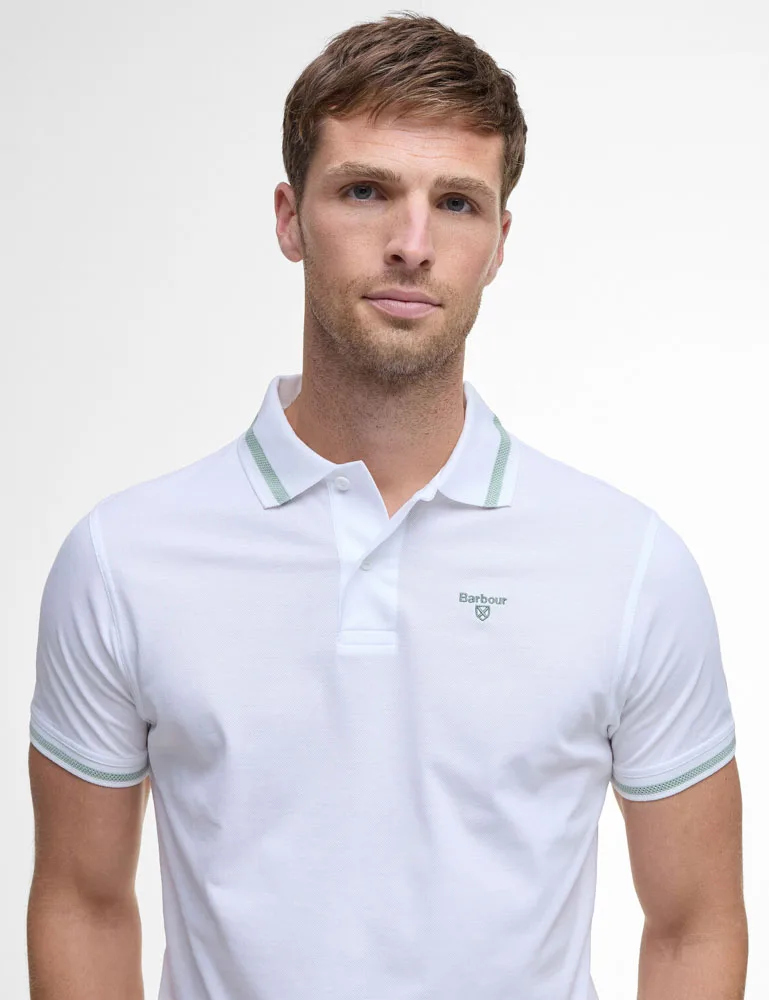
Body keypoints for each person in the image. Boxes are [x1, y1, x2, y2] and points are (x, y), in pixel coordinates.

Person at [27, 12, 747, 1000]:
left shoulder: (627, 565)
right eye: (365, 191)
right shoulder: (123, 560)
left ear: (498, 241)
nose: (412, 245)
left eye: (455, 202)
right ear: (290, 218)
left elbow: (694, 922)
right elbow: (82, 900)